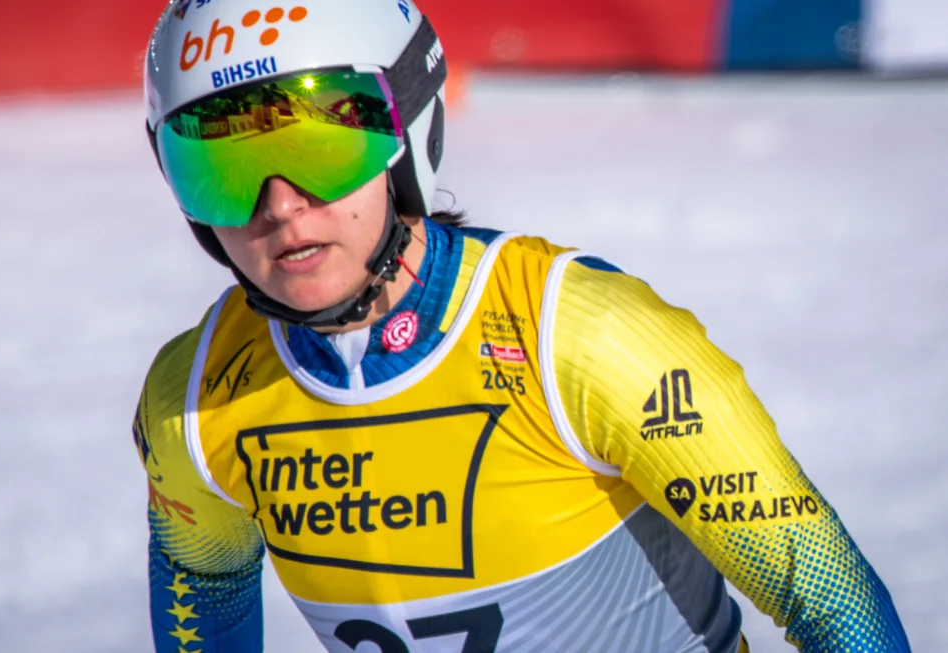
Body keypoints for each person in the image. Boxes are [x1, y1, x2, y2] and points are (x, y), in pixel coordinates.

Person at [130, 1, 911, 651]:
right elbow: (207, 601)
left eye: (319, 147)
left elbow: (830, 604)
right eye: (221, 168)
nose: (279, 205)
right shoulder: (193, 403)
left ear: (408, 133)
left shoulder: (583, 337)